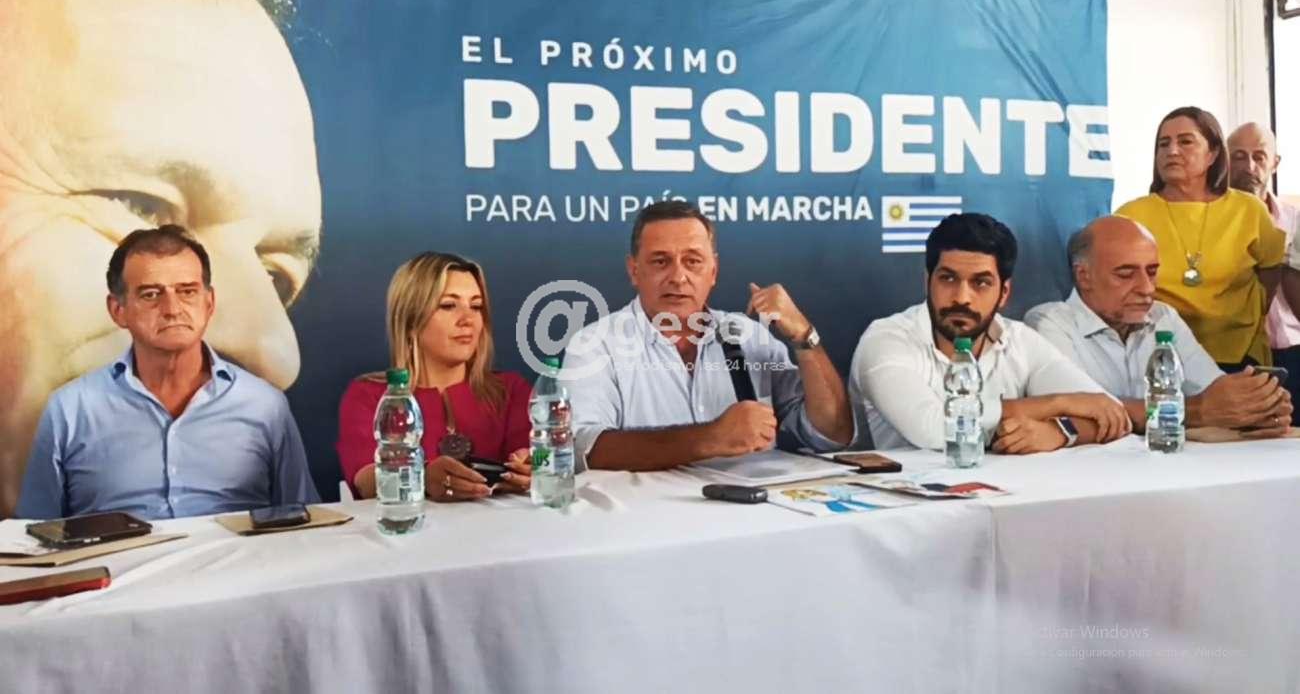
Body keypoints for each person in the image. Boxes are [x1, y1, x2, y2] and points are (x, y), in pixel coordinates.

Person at [0, 0, 322, 517]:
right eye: (141, 207)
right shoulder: (70, 411)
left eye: (274, 275)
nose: (274, 351)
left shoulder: (263, 415)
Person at [16, 226, 319, 520]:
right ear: (118, 310)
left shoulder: (265, 405)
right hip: (121, 557)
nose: (172, 308)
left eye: (187, 291)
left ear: (209, 303)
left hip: (236, 555)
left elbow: (303, 522)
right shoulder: (69, 410)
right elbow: (34, 535)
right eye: (150, 295)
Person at [561, 200, 854, 471]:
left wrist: (804, 336)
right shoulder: (595, 345)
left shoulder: (751, 336)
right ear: (634, 270)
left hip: (755, 507)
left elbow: (832, 433)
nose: (678, 277)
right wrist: (711, 438)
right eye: (661, 261)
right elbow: (583, 449)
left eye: (692, 261)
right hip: (645, 509)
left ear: (713, 271)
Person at [850, 213, 1130, 454]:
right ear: (928, 281)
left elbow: (1109, 414)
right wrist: (1059, 403)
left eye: (981, 283)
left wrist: (1060, 432)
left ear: (1004, 292)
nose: (962, 298)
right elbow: (935, 430)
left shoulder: (1019, 339)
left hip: (1008, 493)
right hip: (897, 498)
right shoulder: (886, 339)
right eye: (948, 279)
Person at [1026, 216, 1291, 435]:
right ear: (1084, 276)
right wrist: (1196, 411)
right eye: (1126, 274)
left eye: (1152, 272)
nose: (1146, 288)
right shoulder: (1049, 323)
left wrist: (1255, 405)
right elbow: (1084, 412)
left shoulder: (1163, 316)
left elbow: (1212, 390)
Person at [335, 253, 533, 502]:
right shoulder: (369, 395)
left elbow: (536, 455)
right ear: (411, 320)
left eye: (476, 306)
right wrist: (423, 478)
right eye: (448, 305)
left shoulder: (511, 389)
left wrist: (533, 465)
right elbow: (365, 481)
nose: (468, 320)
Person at [1115, 107, 1284, 372]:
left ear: (1213, 154)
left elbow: (1270, 276)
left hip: (1240, 356)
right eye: (1163, 144)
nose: (1172, 151)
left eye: (1185, 142)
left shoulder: (1249, 210)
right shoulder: (1131, 215)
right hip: (1158, 355)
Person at [1228, 122, 1300, 424]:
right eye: (1239, 156)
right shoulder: (1216, 222)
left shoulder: (1295, 220)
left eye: (1259, 156)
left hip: (1293, 350)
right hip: (1237, 357)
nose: (1249, 166)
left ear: (1275, 162)